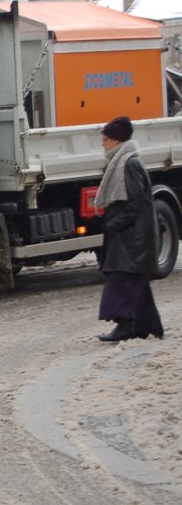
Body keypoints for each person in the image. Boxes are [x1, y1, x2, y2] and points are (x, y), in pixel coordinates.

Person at [94, 116, 164, 342]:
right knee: (135, 283)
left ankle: (125, 324)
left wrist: (113, 225)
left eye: (105, 139)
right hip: (132, 237)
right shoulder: (125, 161)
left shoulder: (128, 164)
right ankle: (146, 325)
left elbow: (132, 204)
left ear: (116, 140)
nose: (103, 144)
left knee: (121, 281)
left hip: (132, 238)